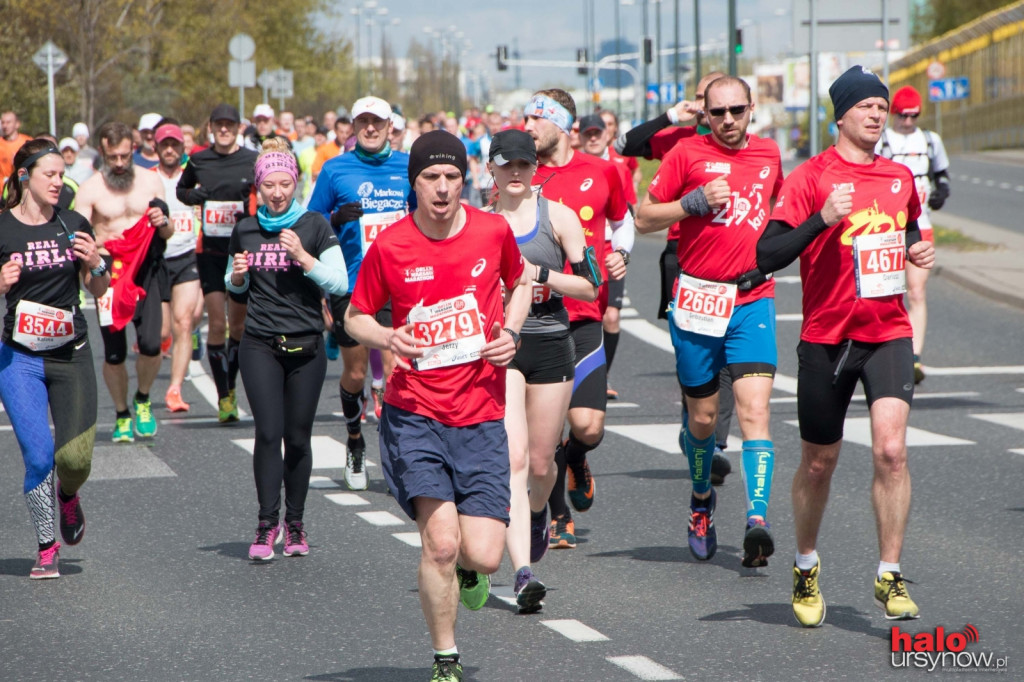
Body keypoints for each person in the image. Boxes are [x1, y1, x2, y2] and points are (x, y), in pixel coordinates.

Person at [344, 130, 533, 682]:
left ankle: (471, 573)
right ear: (415, 182)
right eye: (431, 177)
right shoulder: (392, 245)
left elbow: (520, 282)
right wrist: (386, 338)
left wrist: (513, 334)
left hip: (480, 411)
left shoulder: (492, 230)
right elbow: (355, 316)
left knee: (486, 554)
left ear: (465, 180)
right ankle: (445, 658)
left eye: (452, 177)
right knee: (443, 544)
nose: (443, 188)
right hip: (415, 412)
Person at [756, 65, 935, 627]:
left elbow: (907, 231)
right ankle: (805, 564)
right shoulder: (811, 177)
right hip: (827, 338)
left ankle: (889, 573)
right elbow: (767, 255)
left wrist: (917, 252)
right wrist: (820, 219)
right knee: (818, 463)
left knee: (891, 451)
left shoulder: (898, 178)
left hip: (888, 331)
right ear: (841, 114)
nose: (877, 114)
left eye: (883, 106)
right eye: (867, 106)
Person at [635, 75, 784, 567]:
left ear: (751, 109)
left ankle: (757, 520)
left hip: (752, 298)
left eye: (736, 111)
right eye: (717, 112)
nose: (727, 121)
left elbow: (780, 215)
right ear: (705, 113)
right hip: (698, 298)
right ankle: (701, 499)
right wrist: (692, 204)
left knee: (755, 413)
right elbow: (643, 217)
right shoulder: (685, 155)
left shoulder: (769, 155)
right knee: (701, 418)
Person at [487, 129, 599, 613]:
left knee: (539, 463)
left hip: (553, 344)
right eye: (506, 164)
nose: (516, 173)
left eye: (524, 165)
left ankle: (537, 514)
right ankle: (522, 573)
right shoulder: (480, 222)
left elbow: (590, 288)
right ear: (490, 168)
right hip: (503, 348)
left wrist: (543, 277)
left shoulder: (558, 216)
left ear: (535, 169)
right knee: (513, 460)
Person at [227, 139, 348, 560]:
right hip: (259, 343)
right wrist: (238, 277)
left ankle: (294, 524)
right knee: (268, 432)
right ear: (258, 188)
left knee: (297, 439)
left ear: (296, 184)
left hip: (306, 346)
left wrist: (304, 258)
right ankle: (266, 526)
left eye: (285, 184)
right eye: (269, 186)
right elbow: (233, 284)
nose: (277, 193)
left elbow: (340, 282)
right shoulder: (245, 229)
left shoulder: (314, 225)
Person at [614, 70, 736, 486]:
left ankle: (713, 442)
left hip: (728, 256)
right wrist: (669, 117)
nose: (710, 107)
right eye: (703, 99)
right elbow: (624, 145)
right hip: (680, 255)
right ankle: (695, 423)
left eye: (717, 99)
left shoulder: (746, 148)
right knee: (695, 352)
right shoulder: (678, 140)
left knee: (729, 361)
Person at [523, 89, 631, 551]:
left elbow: (624, 221)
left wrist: (621, 253)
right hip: (536, 317)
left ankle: (576, 459)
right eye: (524, 119)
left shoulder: (602, 171)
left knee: (586, 426)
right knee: (535, 442)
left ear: (562, 125)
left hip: (584, 315)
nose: (526, 128)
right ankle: (555, 515)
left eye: (535, 120)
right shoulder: (521, 176)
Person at [0, 139, 110, 578]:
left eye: (62, 175)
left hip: (71, 355)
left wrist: (98, 264)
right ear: (25, 175)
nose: (58, 182)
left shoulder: (74, 223)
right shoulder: (2, 229)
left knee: (75, 462)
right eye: (49, 174)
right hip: (19, 359)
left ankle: (68, 496)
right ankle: (47, 549)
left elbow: (98, 291)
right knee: (39, 457)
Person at [308, 96, 411, 490]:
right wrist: (334, 218)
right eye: (362, 122)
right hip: (352, 284)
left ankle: (400, 453)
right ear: (353, 126)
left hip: (401, 283)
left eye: (377, 122)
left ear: (390, 126)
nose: (370, 128)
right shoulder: (335, 170)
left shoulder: (407, 167)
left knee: (397, 371)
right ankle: (354, 441)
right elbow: (311, 223)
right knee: (355, 373)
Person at [75, 122, 174, 442]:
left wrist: (163, 223)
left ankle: (143, 398)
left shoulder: (149, 181)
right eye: (113, 156)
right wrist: (86, 273)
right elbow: (78, 238)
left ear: (133, 149)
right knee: (114, 352)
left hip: (146, 266)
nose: (119, 163)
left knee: (151, 342)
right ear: (102, 151)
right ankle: (121, 413)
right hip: (109, 269)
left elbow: (167, 230)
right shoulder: (91, 189)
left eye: (124, 155)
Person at [177, 104, 259, 423]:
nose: (224, 130)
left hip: (241, 253)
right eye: (219, 125)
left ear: (239, 127)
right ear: (210, 128)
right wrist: (194, 197)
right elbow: (182, 189)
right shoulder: (199, 159)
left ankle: (231, 384)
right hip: (209, 252)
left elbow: (265, 191)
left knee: (238, 325)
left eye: (230, 125)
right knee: (217, 323)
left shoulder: (252, 160)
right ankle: (224, 396)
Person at [875, 85, 950, 384]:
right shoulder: (882, 140)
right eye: (903, 116)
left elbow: (942, 175)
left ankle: (915, 358)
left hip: (922, 225)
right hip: (886, 226)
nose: (908, 122)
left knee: (917, 291)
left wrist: (942, 192)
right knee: (885, 291)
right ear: (894, 114)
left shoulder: (930, 140)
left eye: (914, 116)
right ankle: (883, 351)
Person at [577, 113, 636, 400]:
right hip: (581, 250)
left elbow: (627, 213)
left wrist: (623, 251)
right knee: (585, 316)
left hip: (610, 249)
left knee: (611, 316)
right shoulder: (571, 167)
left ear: (606, 135)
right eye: (587, 133)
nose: (592, 138)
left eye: (596, 133)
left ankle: (603, 374)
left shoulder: (618, 169)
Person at [151, 120, 202, 412]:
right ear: (156, 147)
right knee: (161, 332)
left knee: (183, 322)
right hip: (158, 260)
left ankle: (174, 390)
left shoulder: (193, 176)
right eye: (164, 144)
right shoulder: (147, 179)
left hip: (188, 256)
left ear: (183, 147)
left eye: (175, 144)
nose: (170, 149)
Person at [0, 111, 33, 185]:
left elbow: (31, 166)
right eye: (3, 123)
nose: (5, 126)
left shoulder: (27, 142)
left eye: (8, 122)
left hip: (22, 184)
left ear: (17, 124)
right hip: (2, 189)